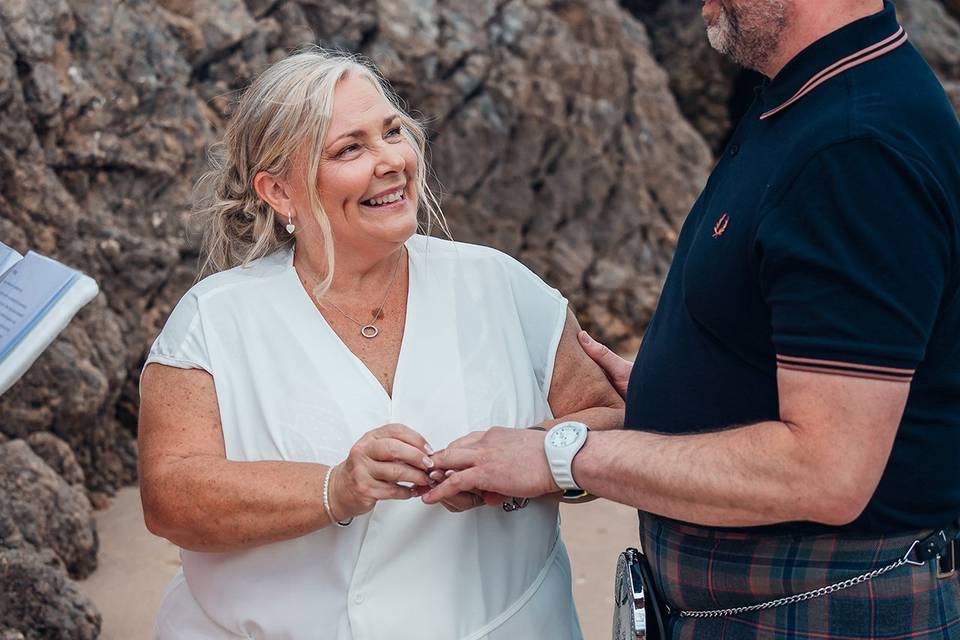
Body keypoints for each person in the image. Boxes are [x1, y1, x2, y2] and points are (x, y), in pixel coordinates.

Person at [425, 1, 960, 637]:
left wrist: (563, 457)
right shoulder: (809, 101)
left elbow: (826, 470)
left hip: (821, 608)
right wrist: (670, 401)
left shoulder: (852, 148)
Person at [137, 48, 623, 639]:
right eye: (350, 148)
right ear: (280, 191)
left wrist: (535, 459)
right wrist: (335, 487)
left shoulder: (500, 284)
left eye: (392, 132)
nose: (392, 160)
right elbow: (171, 498)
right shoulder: (212, 321)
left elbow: (610, 419)